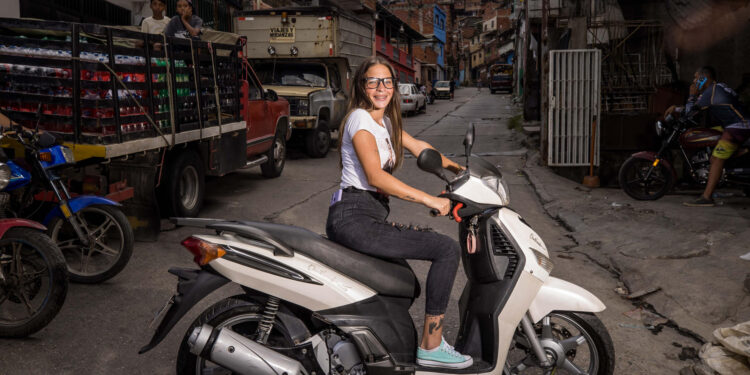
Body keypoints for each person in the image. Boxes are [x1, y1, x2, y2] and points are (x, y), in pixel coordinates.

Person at [326, 56, 471, 369]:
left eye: (387, 81)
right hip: (354, 216)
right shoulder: (360, 120)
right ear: (362, 87)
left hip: (366, 214)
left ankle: (380, 347)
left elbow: (420, 148)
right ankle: (431, 346)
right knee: (446, 249)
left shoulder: (385, 123)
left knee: (404, 283)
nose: (382, 88)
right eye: (373, 81)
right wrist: (429, 200)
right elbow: (376, 177)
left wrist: (464, 172)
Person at [669, 66, 750, 207]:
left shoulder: (710, 93)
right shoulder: (717, 88)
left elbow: (690, 112)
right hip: (737, 124)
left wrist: (692, 95)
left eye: (696, 77)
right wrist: (675, 108)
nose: (694, 81)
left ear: (703, 78)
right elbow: (694, 108)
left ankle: (706, 197)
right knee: (710, 135)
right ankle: (736, 154)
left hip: (737, 127)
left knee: (717, 159)